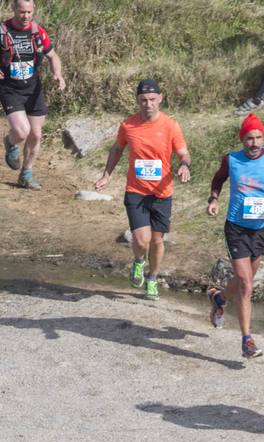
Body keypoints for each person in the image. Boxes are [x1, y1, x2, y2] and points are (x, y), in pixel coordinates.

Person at [206, 114, 264, 358]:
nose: (254, 143)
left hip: (261, 228)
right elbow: (218, 179)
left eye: (258, 138)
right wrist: (214, 199)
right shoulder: (231, 160)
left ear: (263, 138)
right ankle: (247, 340)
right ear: (242, 140)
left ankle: (219, 299)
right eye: (249, 139)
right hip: (236, 227)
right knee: (245, 284)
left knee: (245, 280)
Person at [95, 79, 191, 301]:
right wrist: (106, 175)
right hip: (136, 191)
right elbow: (117, 149)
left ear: (160, 99)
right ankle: (138, 262)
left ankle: (152, 278)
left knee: (157, 241)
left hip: (162, 192)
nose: (148, 104)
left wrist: (184, 165)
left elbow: (184, 153)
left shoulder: (170, 125)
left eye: (152, 100)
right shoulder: (128, 125)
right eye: (143, 100)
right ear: (138, 101)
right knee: (141, 239)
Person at [0, 0, 65, 190]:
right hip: (9, 88)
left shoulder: (38, 32)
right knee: (22, 131)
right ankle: (9, 142)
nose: (26, 16)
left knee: (36, 134)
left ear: (34, 10)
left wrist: (58, 74)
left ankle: (26, 174)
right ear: (14, 9)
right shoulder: (0, 31)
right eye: (22, 12)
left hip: (33, 88)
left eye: (29, 12)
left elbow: (53, 55)